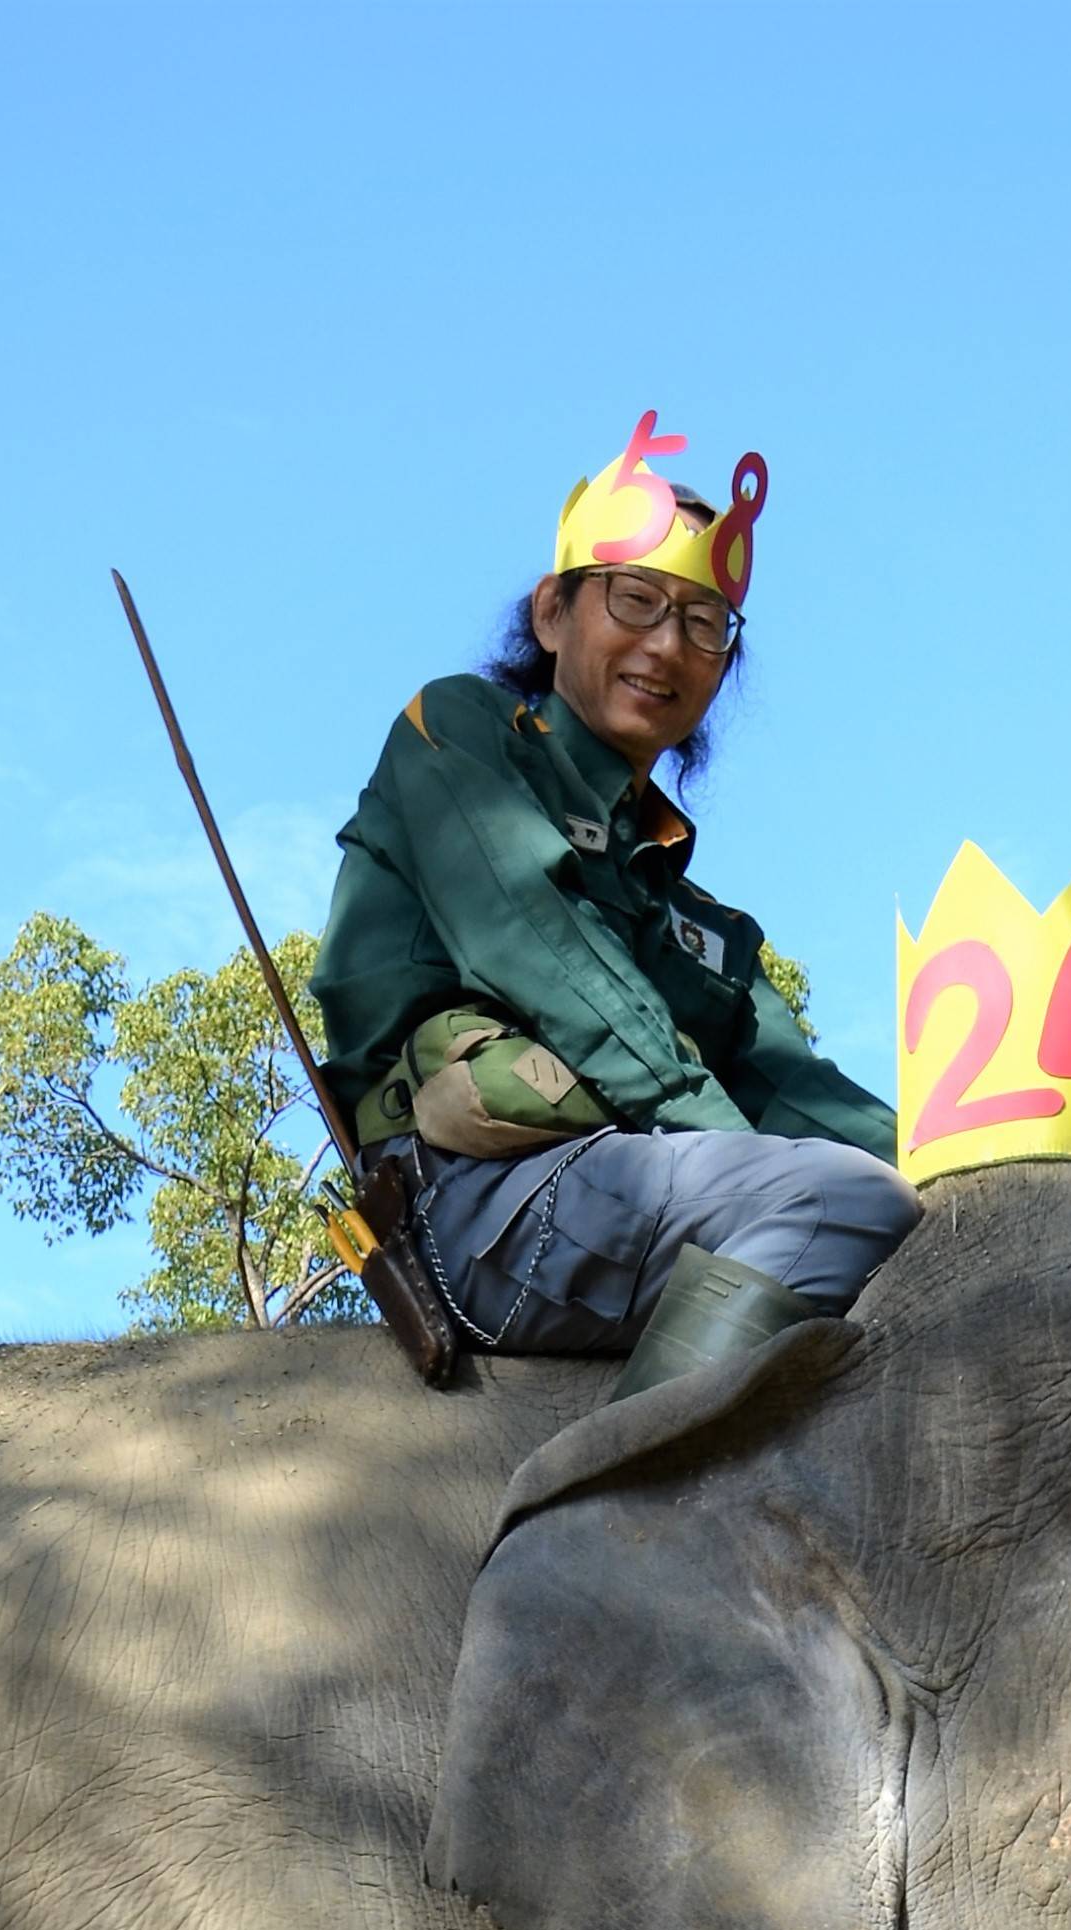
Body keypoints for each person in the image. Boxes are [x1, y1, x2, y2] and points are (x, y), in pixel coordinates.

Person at [312, 412, 917, 1398]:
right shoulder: (459, 735)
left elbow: (802, 1091)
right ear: (553, 613)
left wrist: (979, 1169)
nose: (668, 646)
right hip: (473, 1200)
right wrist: (731, 1141)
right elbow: (544, 945)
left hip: (630, 1191)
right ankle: (613, 1503)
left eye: (705, 623)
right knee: (836, 1205)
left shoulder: (709, 928)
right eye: (635, 600)